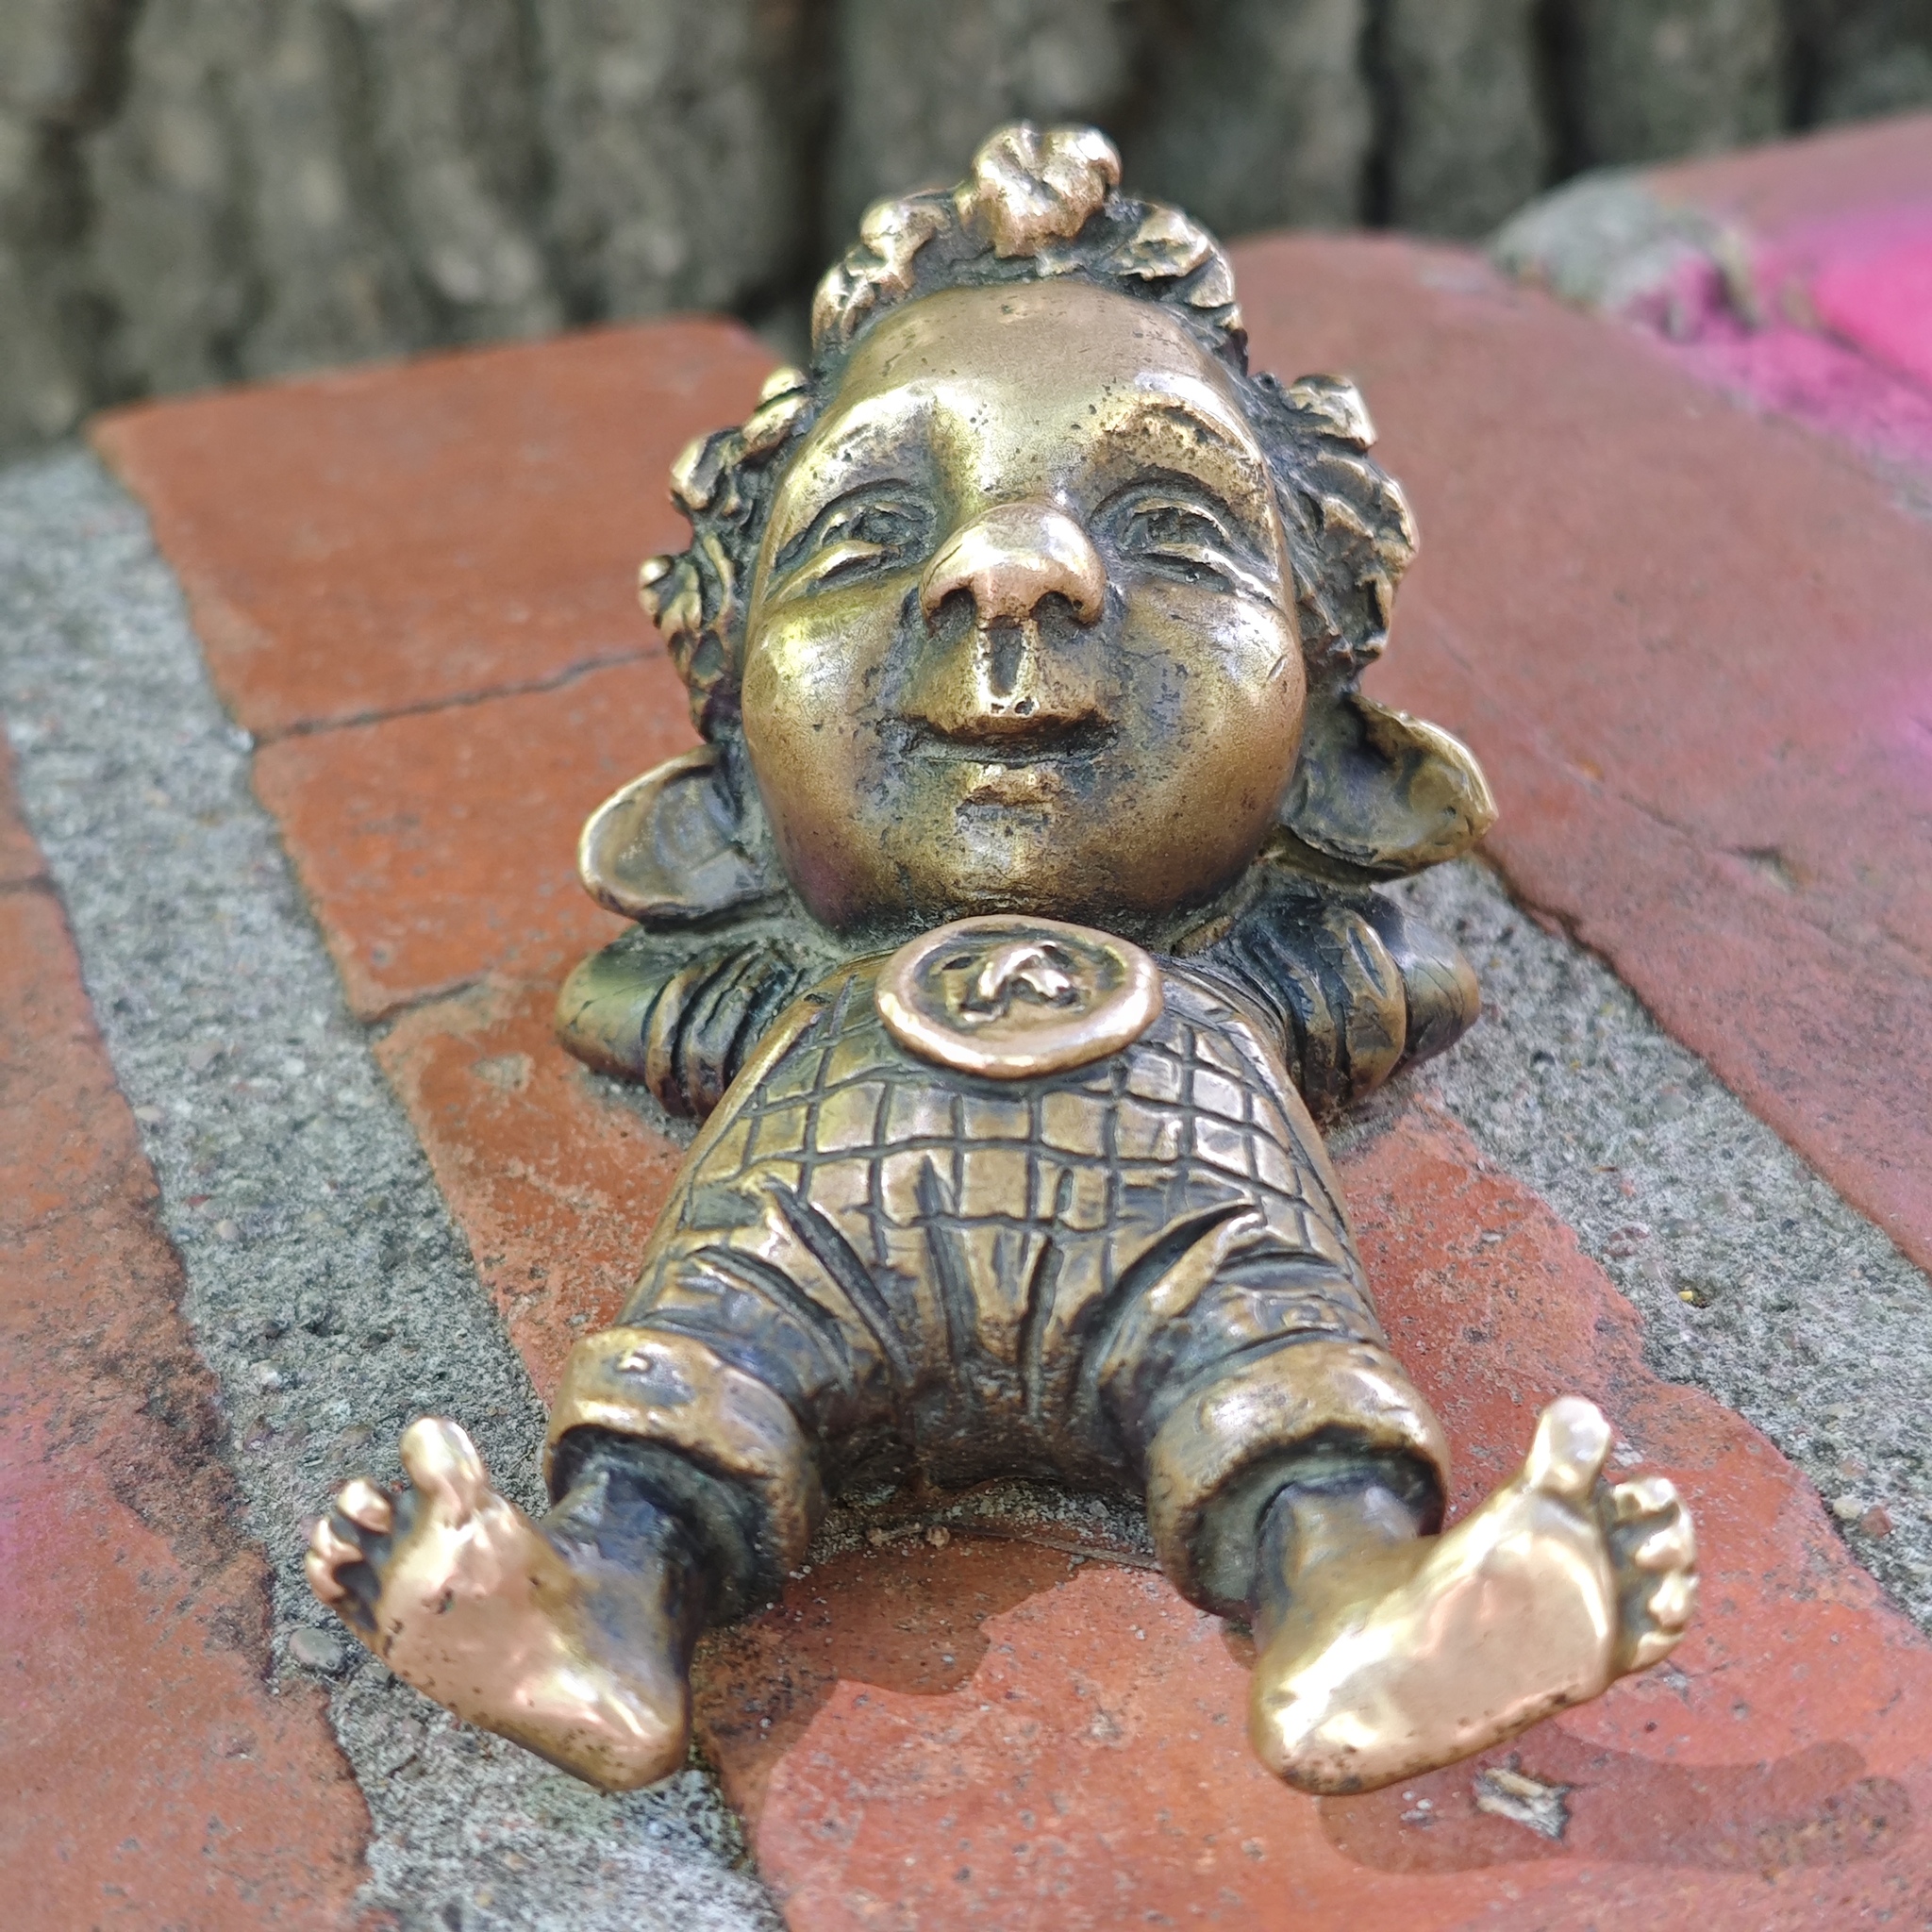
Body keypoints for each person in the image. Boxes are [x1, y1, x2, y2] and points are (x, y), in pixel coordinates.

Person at [308, 124, 1695, 1797]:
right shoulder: (785, 994)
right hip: (816, 1244)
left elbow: (1398, 988)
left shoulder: (1253, 981)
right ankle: (602, 1610)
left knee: (1284, 1380)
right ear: (727, 795)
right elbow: (628, 1003)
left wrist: (1381, 985)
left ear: (1332, 757)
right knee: (695, 1378)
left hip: (1186, 1240)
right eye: (872, 530)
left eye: (1171, 522)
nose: (1011, 567)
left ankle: (1352, 1616)